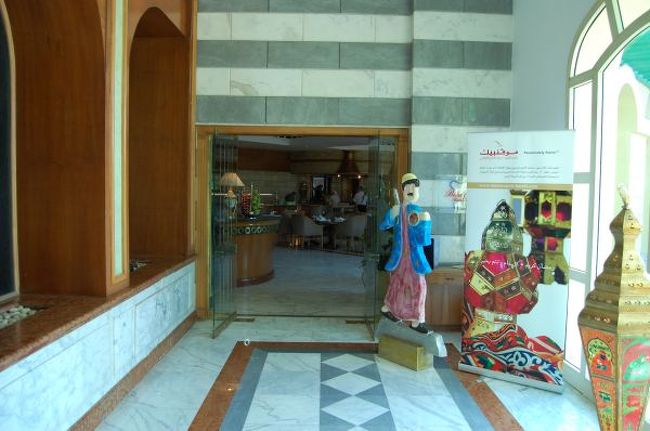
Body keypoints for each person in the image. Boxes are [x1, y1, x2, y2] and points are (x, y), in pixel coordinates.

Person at [379, 173, 433, 334]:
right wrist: (425, 221)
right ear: (402, 190)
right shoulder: (411, 212)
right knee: (415, 287)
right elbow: (423, 240)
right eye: (408, 186)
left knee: (401, 285)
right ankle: (416, 321)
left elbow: (383, 226)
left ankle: (389, 309)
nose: (411, 189)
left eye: (413, 186)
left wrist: (423, 221)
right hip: (408, 258)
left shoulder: (402, 211)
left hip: (404, 258)